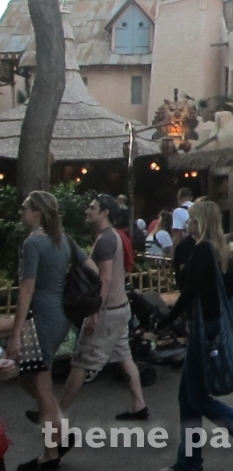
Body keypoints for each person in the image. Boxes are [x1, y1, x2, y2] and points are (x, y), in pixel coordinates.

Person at [159, 201, 233, 471]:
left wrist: (165, 321)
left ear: (201, 222)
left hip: (203, 328)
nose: (188, 225)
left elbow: (188, 293)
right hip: (209, 324)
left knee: (197, 398)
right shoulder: (216, 250)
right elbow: (227, 287)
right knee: (188, 398)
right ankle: (189, 461)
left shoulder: (202, 251)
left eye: (192, 220)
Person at [7, 191, 96, 471]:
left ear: (38, 212)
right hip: (60, 316)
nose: (21, 212)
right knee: (28, 379)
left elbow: (27, 288)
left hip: (42, 318)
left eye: (25, 207)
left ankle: (50, 452)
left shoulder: (34, 243)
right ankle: (60, 431)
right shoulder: (63, 239)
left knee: (42, 387)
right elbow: (92, 268)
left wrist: (16, 331)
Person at [52, 194, 148, 423]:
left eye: (92, 207)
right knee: (124, 355)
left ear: (105, 213)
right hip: (120, 307)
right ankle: (139, 404)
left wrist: (95, 311)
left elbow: (104, 279)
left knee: (81, 362)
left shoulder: (105, 240)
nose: (88, 210)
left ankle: (57, 413)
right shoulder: (114, 236)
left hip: (108, 310)